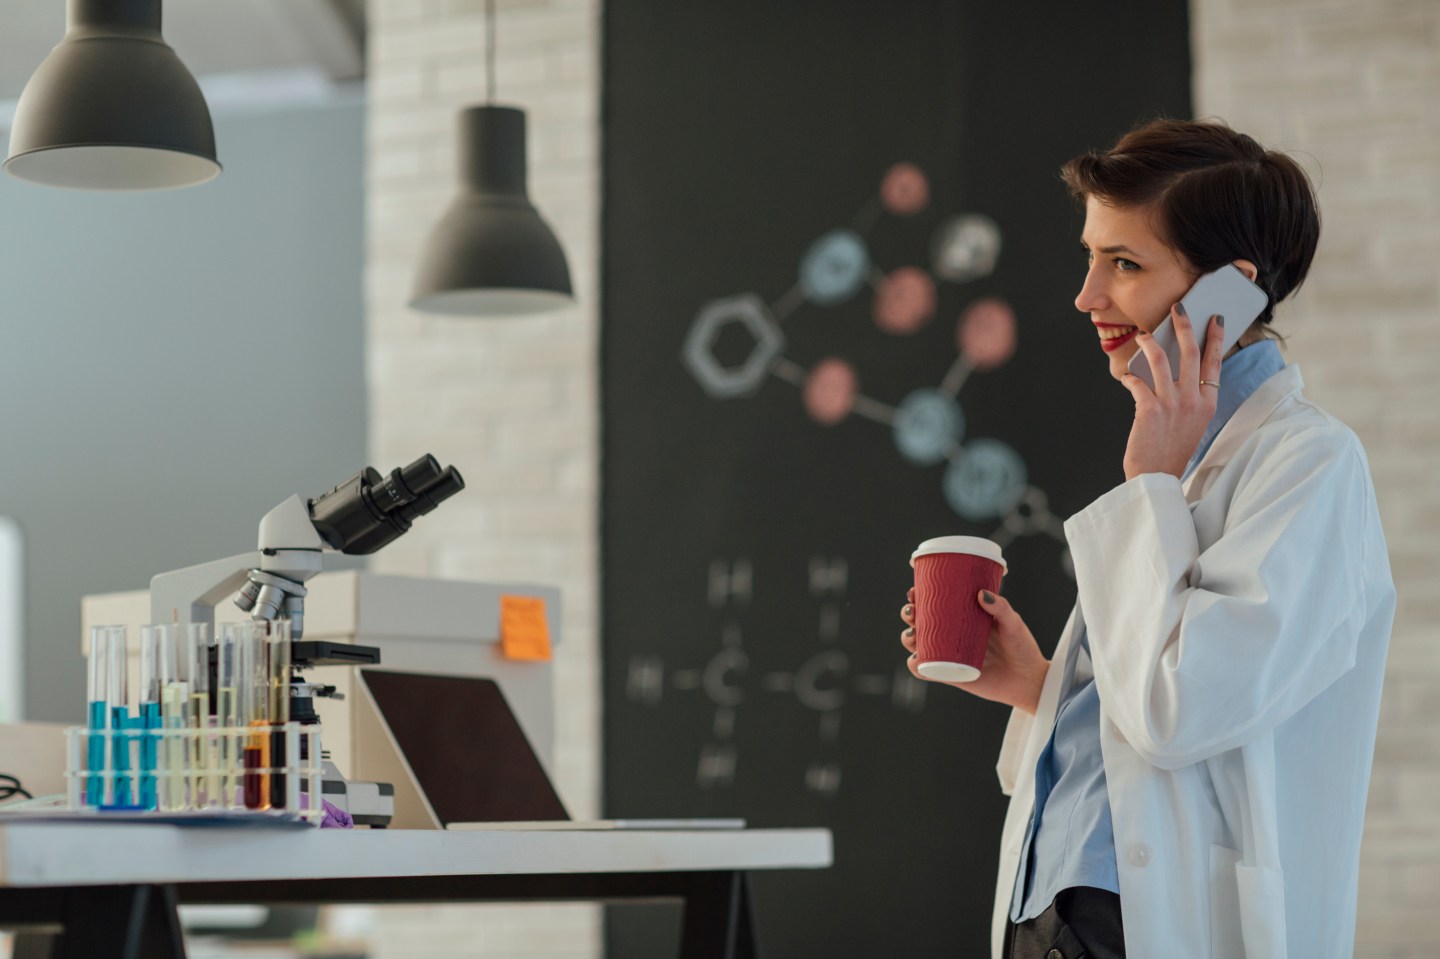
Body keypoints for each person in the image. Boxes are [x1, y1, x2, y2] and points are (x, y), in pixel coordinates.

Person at [899, 118, 1395, 959]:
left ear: (1228, 292)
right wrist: (1044, 691)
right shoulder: (1181, 458)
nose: (1088, 296)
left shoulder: (1307, 463)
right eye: (1091, 257)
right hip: (1056, 910)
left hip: (1145, 924)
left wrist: (1150, 482)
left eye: (1123, 264)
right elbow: (1148, 719)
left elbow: (1180, 713)